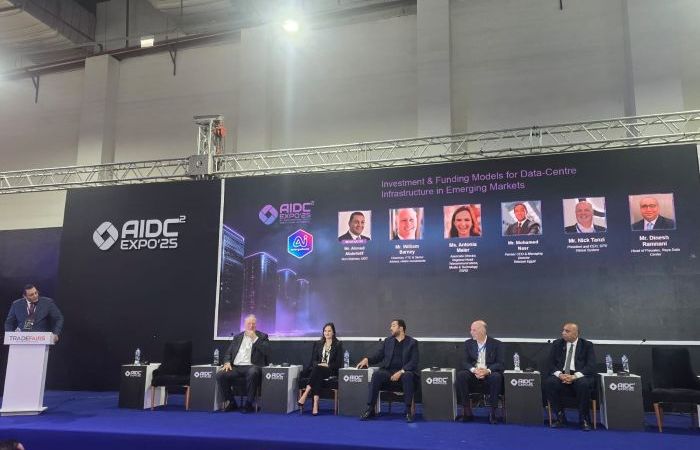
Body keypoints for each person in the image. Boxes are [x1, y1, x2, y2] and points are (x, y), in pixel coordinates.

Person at [356, 319, 419, 422]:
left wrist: (401, 371)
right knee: (377, 375)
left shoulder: (412, 342)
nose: (390, 328)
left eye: (393, 326)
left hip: (404, 372)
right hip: (389, 371)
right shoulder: (388, 341)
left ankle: (408, 411)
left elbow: (414, 361)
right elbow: (379, 356)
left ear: (401, 328)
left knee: (408, 376)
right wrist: (368, 359)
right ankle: (370, 409)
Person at [543, 322, 596, 431]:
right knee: (550, 382)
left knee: (583, 384)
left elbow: (590, 366)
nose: (563, 333)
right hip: (562, 374)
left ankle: (584, 419)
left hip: (579, 375)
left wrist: (574, 376)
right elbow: (550, 364)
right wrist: (560, 375)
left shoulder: (587, 345)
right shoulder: (557, 344)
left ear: (576, 333)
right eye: (563, 330)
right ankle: (560, 417)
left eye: (567, 331)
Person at [216, 314, 270, 413]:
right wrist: (227, 362)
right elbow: (228, 353)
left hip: (252, 366)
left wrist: (255, 338)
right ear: (245, 325)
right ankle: (232, 402)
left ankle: (248, 404)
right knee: (220, 375)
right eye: (249, 323)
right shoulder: (237, 337)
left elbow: (266, 351)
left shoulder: (262, 336)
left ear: (256, 325)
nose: (251, 326)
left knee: (253, 372)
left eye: (253, 324)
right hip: (236, 367)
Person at [455, 320, 504, 424]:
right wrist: (474, 370)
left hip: (489, 373)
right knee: (461, 375)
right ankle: (467, 412)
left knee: (496, 376)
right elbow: (464, 362)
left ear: (482, 331)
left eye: (474, 330)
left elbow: (500, 363)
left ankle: (493, 413)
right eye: (471, 330)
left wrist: (487, 371)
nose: (471, 332)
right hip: (474, 373)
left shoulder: (496, 344)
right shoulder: (468, 343)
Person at [298, 323, 343, 415]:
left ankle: (306, 393)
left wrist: (327, 365)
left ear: (333, 332)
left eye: (329, 331)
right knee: (318, 372)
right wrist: (320, 364)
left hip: (330, 371)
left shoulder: (338, 344)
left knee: (317, 370)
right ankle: (315, 404)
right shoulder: (318, 344)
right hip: (318, 370)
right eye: (325, 331)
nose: (327, 333)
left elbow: (338, 363)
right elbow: (313, 361)